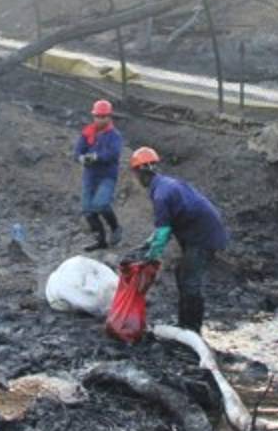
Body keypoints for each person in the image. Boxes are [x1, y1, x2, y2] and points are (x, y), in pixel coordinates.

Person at [129, 146, 230, 333]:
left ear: (140, 172)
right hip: (199, 232)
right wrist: (148, 243)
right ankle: (185, 323)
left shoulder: (161, 194)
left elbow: (164, 231)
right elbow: (166, 224)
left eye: (135, 173)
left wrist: (151, 256)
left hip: (202, 237)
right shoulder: (165, 185)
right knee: (181, 273)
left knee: (190, 280)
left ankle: (192, 328)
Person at [74, 99, 124, 251]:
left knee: (101, 204)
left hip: (107, 175)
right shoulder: (88, 132)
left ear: (109, 117)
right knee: (88, 210)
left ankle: (116, 228)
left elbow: (114, 154)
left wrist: (96, 157)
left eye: (103, 117)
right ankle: (100, 240)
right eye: (98, 116)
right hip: (90, 175)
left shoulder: (114, 135)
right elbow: (77, 151)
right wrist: (81, 158)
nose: (100, 119)